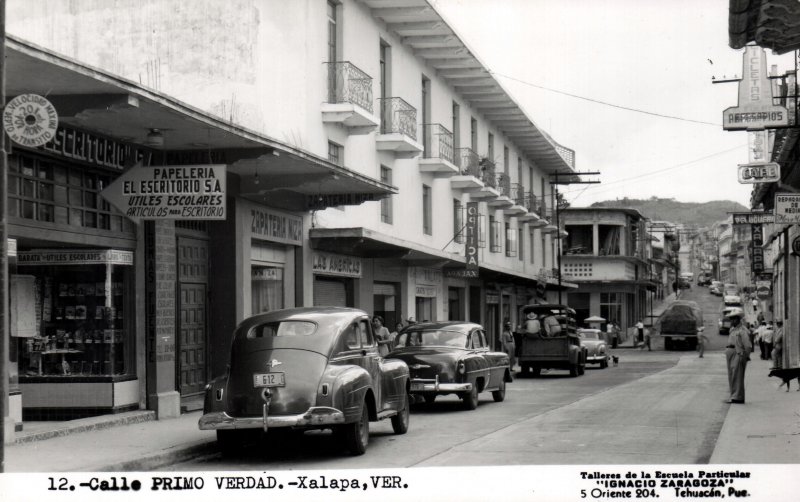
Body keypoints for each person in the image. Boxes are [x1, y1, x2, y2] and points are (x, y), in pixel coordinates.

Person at [724, 310, 750, 404]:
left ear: (738, 319)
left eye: (734, 319)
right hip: (730, 352)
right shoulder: (732, 329)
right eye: (731, 319)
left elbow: (747, 345)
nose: (732, 321)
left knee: (737, 375)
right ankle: (734, 395)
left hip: (738, 353)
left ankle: (737, 397)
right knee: (732, 375)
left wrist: (745, 356)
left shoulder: (742, 331)